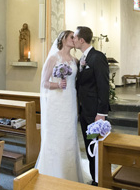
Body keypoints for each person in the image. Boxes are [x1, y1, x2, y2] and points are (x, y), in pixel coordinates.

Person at [35, 30, 84, 182]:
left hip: (70, 103)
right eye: (71, 37)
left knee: (69, 135)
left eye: (75, 37)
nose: (74, 39)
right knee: (55, 136)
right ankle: (52, 171)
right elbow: (44, 83)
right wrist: (57, 84)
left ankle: (70, 173)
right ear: (63, 39)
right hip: (56, 103)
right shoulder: (53, 58)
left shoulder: (75, 60)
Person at [73, 26, 110, 186]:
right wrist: (81, 68)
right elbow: (81, 84)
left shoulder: (97, 57)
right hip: (85, 112)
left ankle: (99, 180)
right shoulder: (84, 59)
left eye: (74, 37)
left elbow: (103, 85)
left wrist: (101, 113)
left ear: (81, 40)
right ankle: (96, 178)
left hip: (95, 113)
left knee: (96, 146)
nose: (73, 40)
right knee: (90, 145)